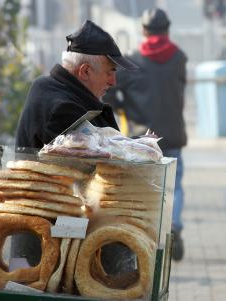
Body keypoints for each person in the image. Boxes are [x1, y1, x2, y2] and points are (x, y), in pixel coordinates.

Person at [13, 20, 138, 270]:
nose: (113, 81)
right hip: (47, 246)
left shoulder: (53, 88)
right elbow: (91, 180)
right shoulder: (62, 107)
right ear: (84, 72)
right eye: (110, 71)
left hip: (53, 236)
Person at [104, 8, 187, 261]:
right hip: (172, 135)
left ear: (143, 30)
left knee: (143, 188)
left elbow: (108, 92)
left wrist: (120, 105)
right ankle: (173, 226)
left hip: (141, 138)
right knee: (175, 185)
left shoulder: (133, 62)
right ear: (167, 29)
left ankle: (144, 233)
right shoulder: (180, 58)